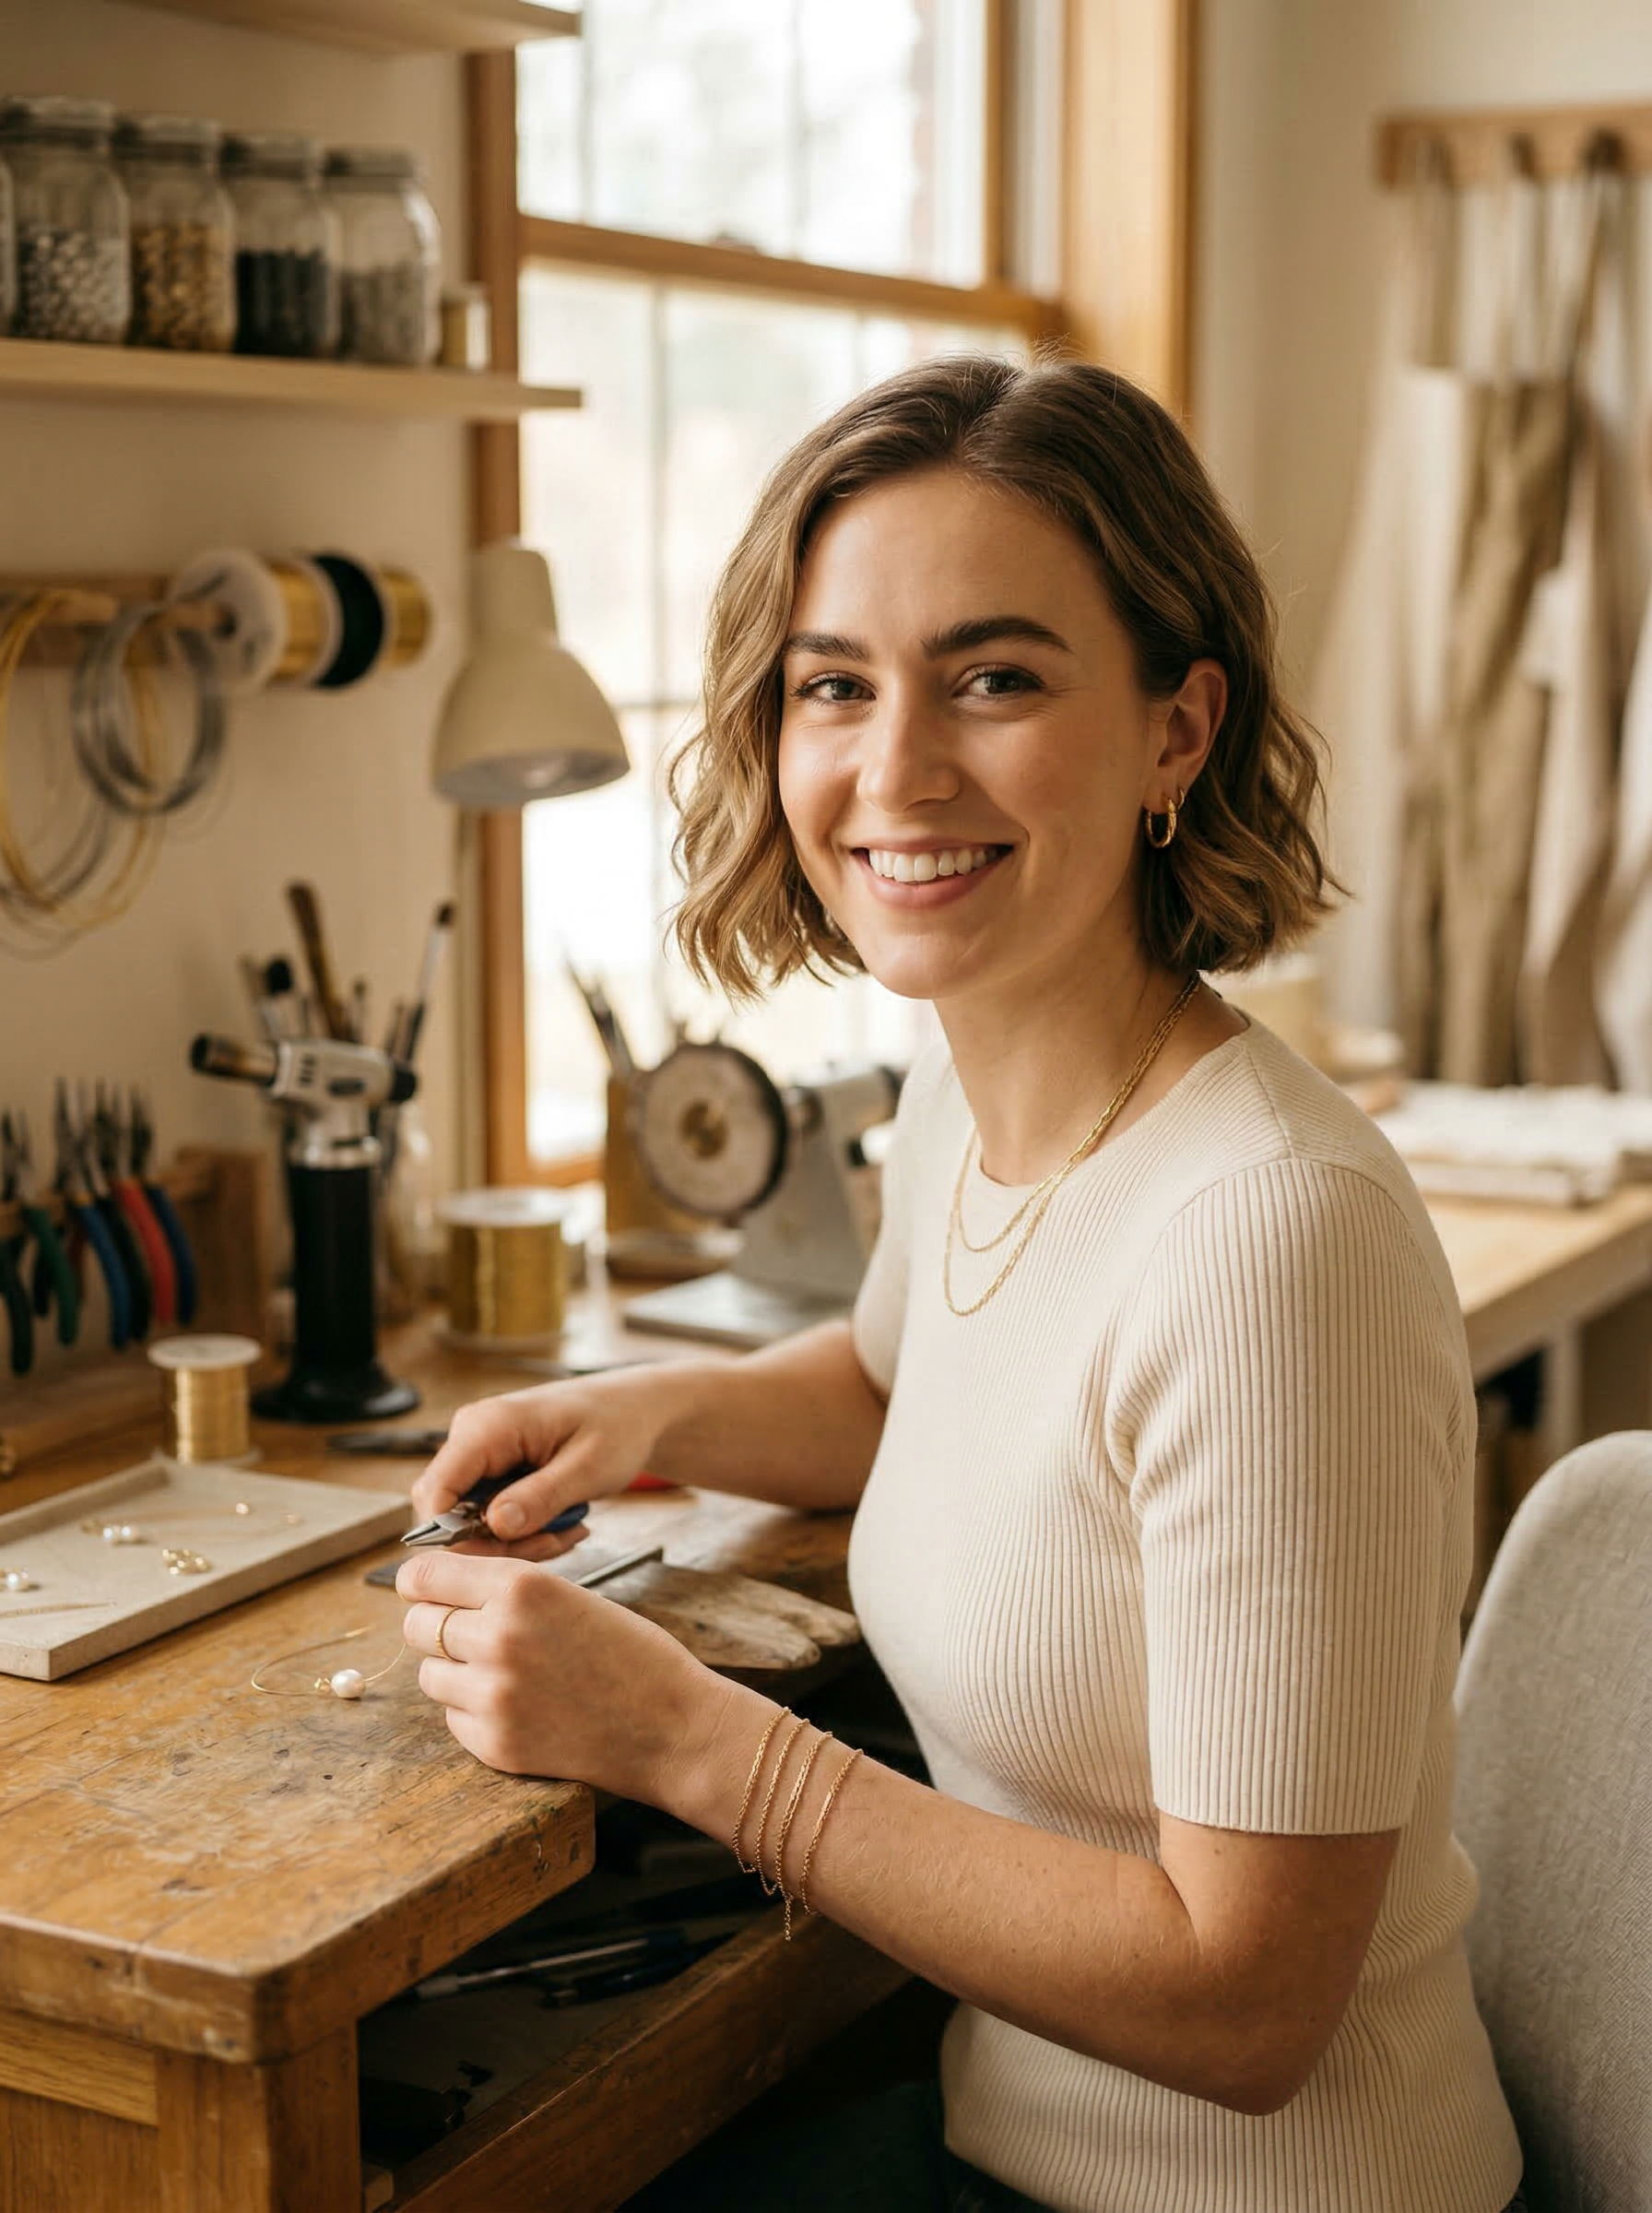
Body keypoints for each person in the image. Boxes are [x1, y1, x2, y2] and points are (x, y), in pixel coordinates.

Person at [397, 357, 1526, 2213]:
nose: (897, 769)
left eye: (994, 679)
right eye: (835, 685)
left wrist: (683, 1737)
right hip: (1002, 2135)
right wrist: (636, 1413)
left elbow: (1249, 2005)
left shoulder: (1270, 1237)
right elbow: (902, 1386)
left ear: (1176, 732)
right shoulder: (964, 1092)